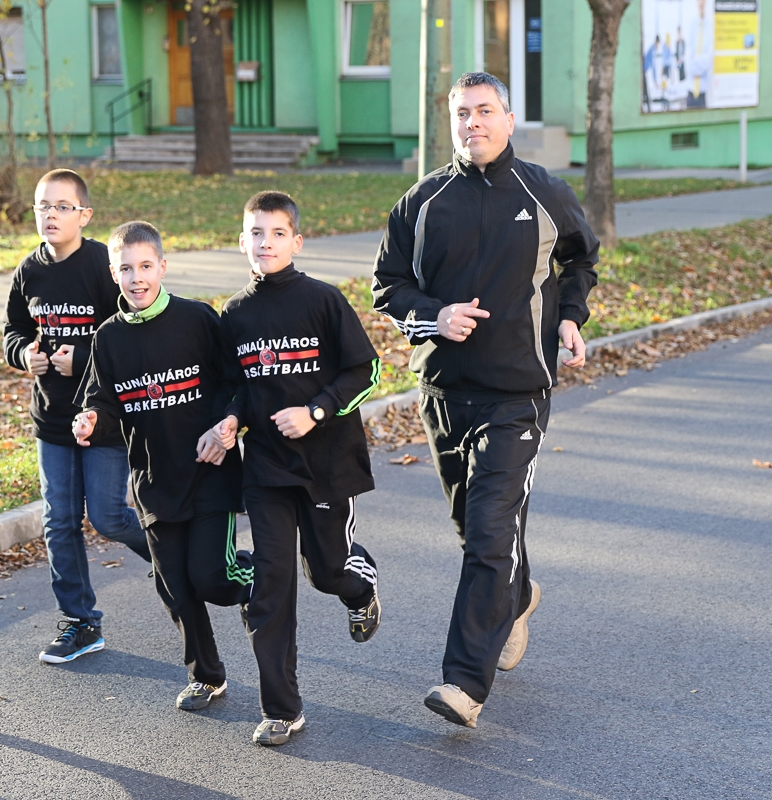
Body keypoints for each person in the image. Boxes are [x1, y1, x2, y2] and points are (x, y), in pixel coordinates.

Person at [372, 72, 598, 729]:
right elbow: (387, 286)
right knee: (476, 530)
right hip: (443, 390)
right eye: (462, 112)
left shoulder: (543, 191)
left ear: (508, 118)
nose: (473, 122)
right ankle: (517, 595)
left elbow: (580, 260)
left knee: (491, 532)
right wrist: (434, 317)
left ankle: (464, 684)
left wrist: (570, 315)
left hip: (518, 390)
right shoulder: (422, 201)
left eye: (485, 110)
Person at [212, 191, 382, 747]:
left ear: (297, 241)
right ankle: (281, 709)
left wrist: (316, 411)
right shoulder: (234, 314)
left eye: (278, 233)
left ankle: (359, 588)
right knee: (271, 585)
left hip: (327, 465)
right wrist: (231, 419)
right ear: (242, 241)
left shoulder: (323, 300)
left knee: (327, 572)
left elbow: (366, 371)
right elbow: (235, 387)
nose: (266, 243)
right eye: (256, 233)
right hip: (266, 470)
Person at [73, 221, 253, 711]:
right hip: (154, 482)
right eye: (126, 269)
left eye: (146, 266)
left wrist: (227, 425)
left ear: (163, 267)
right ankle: (206, 676)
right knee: (174, 586)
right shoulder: (108, 338)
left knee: (212, 577)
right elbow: (104, 405)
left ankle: (261, 579)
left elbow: (236, 383)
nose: (137, 278)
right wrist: (91, 422)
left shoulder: (197, 318)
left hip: (209, 471)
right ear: (113, 273)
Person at [3, 169, 149, 665]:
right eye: (43, 206)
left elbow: (132, 334)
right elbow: (13, 330)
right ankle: (80, 622)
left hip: (104, 417)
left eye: (62, 206)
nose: (51, 215)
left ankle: (171, 557)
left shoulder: (102, 267)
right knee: (58, 521)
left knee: (108, 517)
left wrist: (83, 358)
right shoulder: (29, 270)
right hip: (52, 418)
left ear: (84, 215)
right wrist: (24, 355)